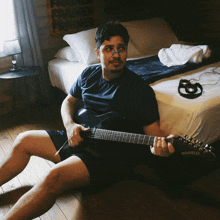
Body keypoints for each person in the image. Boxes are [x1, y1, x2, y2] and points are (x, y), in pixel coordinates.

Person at [0, 21, 174, 220]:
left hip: (106, 157)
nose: (116, 55)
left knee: (53, 176)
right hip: (82, 138)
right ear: (98, 53)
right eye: (109, 49)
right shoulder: (88, 74)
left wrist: (162, 149)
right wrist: (69, 125)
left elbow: (154, 136)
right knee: (24, 140)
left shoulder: (139, 90)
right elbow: (68, 101)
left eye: (121, 49)